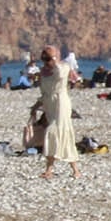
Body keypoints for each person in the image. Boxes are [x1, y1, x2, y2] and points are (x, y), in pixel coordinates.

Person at [35, 46, 78, 179]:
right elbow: (44, 92)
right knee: (55, 132)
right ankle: (50, 169)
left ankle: (73, 169)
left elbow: (60, 73)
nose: (46, 62)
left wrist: (54, 59)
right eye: (44, 59)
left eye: (48, 58)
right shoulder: (43, 72)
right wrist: (36, 106)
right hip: (50, 104)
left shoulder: (62, 68)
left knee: (57, 131)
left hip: (61, 102)